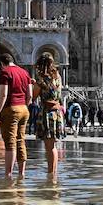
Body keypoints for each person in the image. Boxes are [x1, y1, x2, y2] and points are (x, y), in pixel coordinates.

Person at [0, 52, 32, 178]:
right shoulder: (25, 72)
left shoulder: (5, 72)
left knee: (10, 142)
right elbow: (30, 95)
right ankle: (22, 173)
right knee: (20, 140)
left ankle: (8, 174)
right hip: (24, 109)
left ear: (2, 64)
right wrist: (24, 105)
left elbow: (3, 94)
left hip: (11, 109)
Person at [31, 51, 65, 179]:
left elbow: (33, 97)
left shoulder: (41, 80)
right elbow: (58, 94)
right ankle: (53, 172)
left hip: (47, 113)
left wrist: (33, 85)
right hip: (57, 113)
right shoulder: (58, 78)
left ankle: (50, 174)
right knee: (53, 146)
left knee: (49, 146)